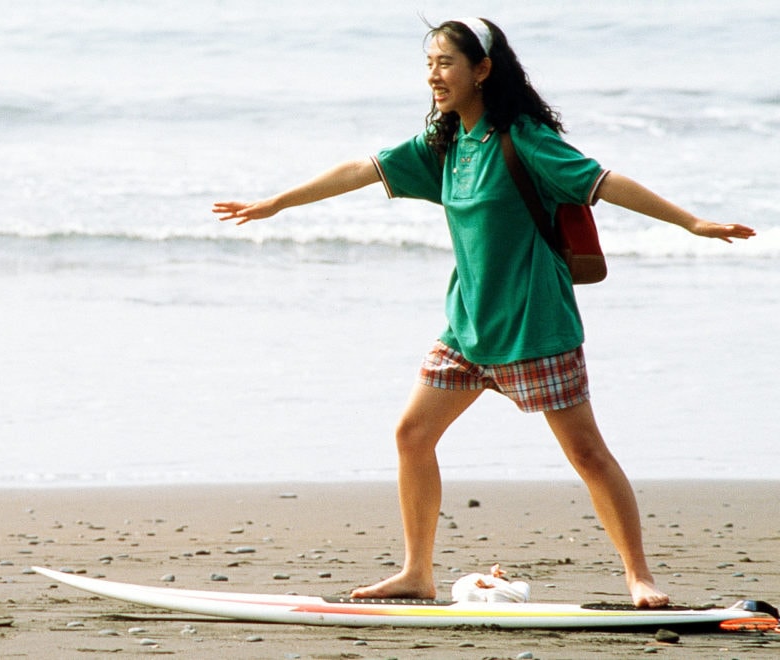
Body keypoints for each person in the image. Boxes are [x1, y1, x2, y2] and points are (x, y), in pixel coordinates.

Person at [213, 18, 755, 609]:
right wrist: (276, 203)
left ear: (483, 69)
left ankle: (639, 576)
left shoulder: (523, 140)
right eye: (429, 63)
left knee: (587, 453)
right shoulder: (444, 145)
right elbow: (361, 170)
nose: (433, 74)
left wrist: (691, 222)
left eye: (445, 62)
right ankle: (417, 572)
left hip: (534, 326)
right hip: (467, 328)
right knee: (412, 434)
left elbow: (604, 182)